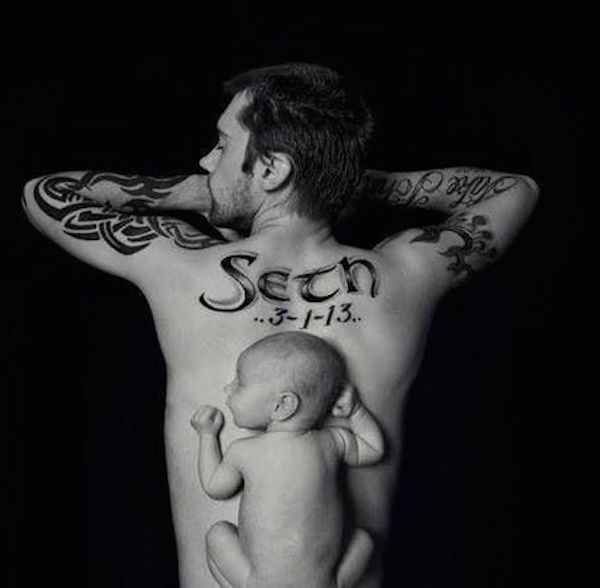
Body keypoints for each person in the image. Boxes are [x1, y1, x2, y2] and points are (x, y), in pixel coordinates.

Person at [22, 63, 539, 588]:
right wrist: (336, 177)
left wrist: (200, 192)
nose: (206, 162)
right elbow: (515, 190)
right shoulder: (403, 277)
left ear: (271, 169)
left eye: (222, 146)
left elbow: (44, 194)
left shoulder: (182, 269)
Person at [190, 331, 384, 588]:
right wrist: (356, 411)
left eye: (240, 383)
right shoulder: (332, 441)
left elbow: (215, 487)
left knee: (217, 534)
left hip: (259, 583)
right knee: (365, 539)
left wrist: (207, 436)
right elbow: (374, 449)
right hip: (326, 583)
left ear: (282, 405)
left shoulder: (244, 451)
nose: (229, 388)